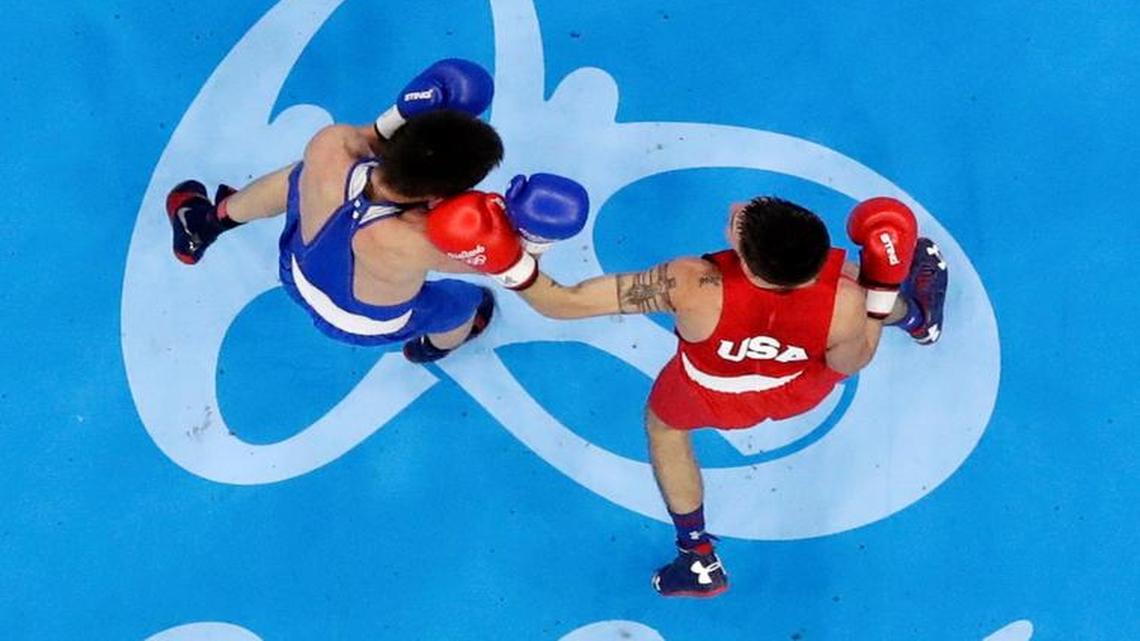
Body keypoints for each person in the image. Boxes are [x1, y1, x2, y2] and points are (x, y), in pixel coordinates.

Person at [511, 195, 949, 597]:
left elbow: (562, 304)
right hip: (798, 387)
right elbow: (850, 363)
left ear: (749, 264)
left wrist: (509, 258)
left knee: (665, 429)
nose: (738, 209)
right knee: (866, 283)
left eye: (740, 223)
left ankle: (697, 558)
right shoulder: (844, 298)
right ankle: (918, 319)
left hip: (706, 390)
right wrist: (881, 289)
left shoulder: (690, 283)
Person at [164, 58, 584, 361]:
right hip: (361, 323)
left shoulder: (332, 144)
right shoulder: (418, 239)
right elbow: (504, 264)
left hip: (295, 267)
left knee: (299, 177)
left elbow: (379, 138)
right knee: (463, 303)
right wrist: (536, 235)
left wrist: (403, 112)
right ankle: (433, 348)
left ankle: (205, 223)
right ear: (449, 193)